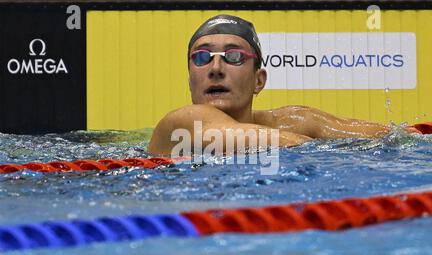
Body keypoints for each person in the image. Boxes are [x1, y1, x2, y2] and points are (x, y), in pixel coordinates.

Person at [148, 14, 410, 156]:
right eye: (202, 58)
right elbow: (289, 145)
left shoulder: (289, 120)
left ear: (258, 80)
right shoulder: (182, 122)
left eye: (234, 57)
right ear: (190, 78)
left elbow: (397, 136)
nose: (215, 69)